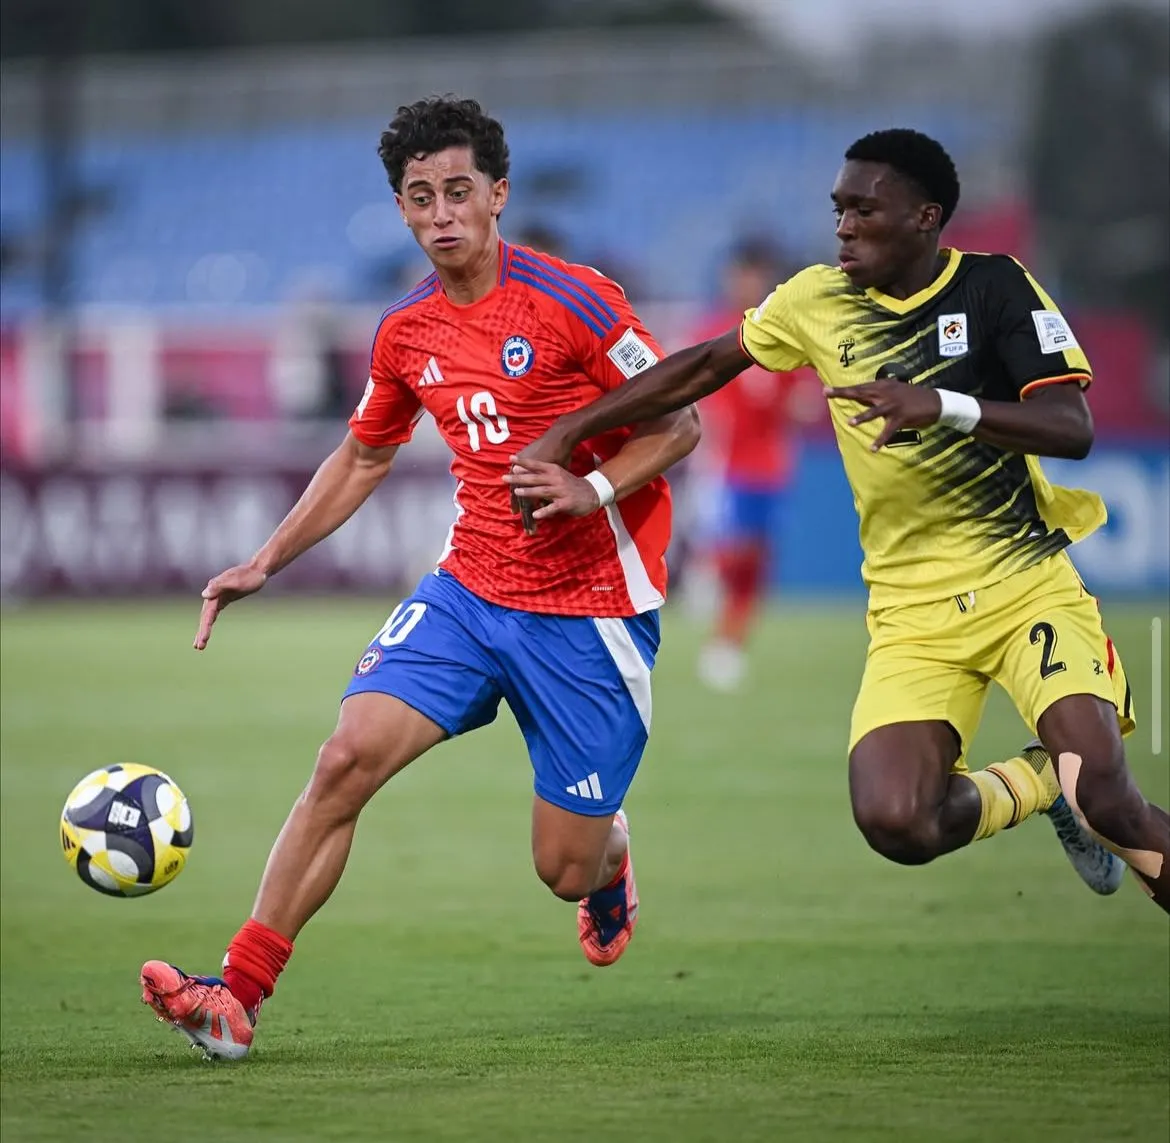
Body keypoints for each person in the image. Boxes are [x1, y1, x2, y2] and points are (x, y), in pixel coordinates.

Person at [139, 97, 701, 1061]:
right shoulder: (406, 331)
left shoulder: (574, 300)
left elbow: (680, 421)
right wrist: (265, 560)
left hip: (590, 611)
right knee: (343, 758)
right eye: (419, 197)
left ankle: (609, 854)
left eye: (458, 192)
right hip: (471, 589)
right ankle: (237, 993)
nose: (440, 213)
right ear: (401, 209)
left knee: (562, 869)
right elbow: (362, 456)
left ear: (498, 196)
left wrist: (592, 484)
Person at [508, 128, 1170, 913]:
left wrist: (943, 405)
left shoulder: (996, 288)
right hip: (910, 612)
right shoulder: (815, 300)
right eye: (838, 209)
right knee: (896, 819)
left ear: (926, 218)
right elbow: (701, 366)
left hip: (1023, 583)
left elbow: (1073, 426)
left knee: (1108, 796)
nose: (844, 226)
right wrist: (570, 432)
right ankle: (1037, 784)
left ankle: (1073, 790)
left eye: (865, 208)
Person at [687, 239, 810, 692]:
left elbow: (801, 399)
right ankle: (707, 579)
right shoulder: (716, 328)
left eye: (756, 275)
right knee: (733, 552)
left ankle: (730, 643)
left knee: (757, 561)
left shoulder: (780, 333)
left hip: (772, 469)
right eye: (742, 274)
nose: (748, 283)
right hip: (727, 467)